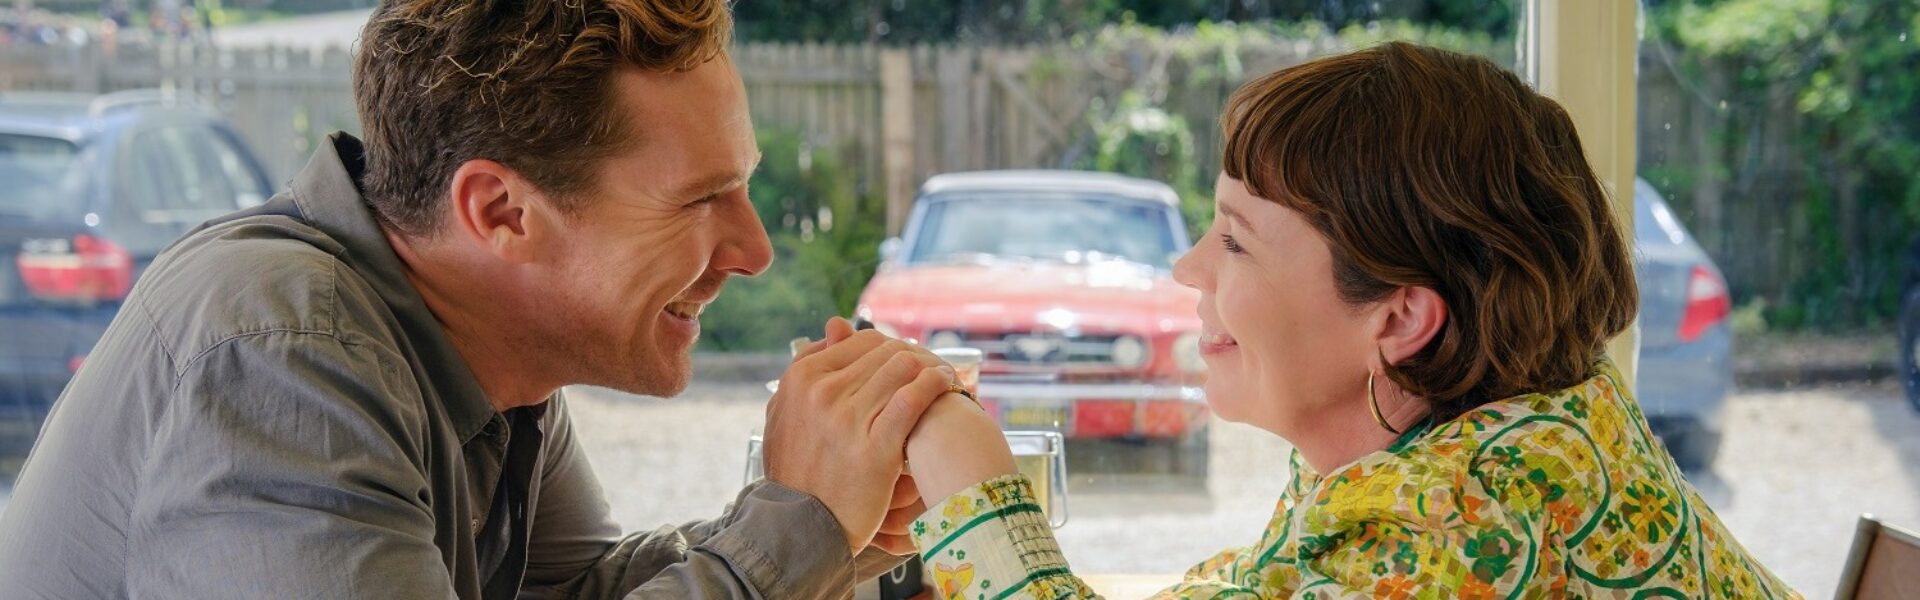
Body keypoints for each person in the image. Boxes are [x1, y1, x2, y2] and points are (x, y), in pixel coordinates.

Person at [0, 0, 965, 597]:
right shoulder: (283, 352)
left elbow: (569, 592)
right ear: (501, 212)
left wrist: (840, 539)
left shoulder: (489, 345)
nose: (755, 251)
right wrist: (795, 525)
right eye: (698, 200)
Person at [901, 42, 1800, 598]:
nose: (1188, 268)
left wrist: (964, 472)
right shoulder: (1525, 430)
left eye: (1236, 242)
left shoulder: (1455, 527)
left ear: (1401, 319)